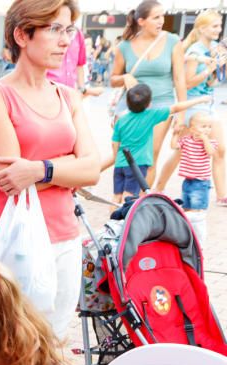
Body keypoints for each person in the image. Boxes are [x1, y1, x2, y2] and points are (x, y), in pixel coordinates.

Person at [0, 0, 99, 339]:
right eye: (55, 29)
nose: (66, 41)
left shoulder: (68, 96)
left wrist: (40, 170)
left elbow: (92, 169)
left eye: (69, 30)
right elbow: (12, 179)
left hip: (64, 236)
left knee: (51, 343)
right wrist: (67, 168)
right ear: (22, 35)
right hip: (10, 237)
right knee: (5, 345)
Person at [153, 10, 225, 203]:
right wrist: (209, 69)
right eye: (215, 26)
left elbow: (210, 83)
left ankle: (221, 195)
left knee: (220, 150)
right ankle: (158, 187)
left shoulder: (214, 48)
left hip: (208, 103)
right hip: (193, 106)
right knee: (181, 151)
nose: (219, 30)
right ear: (202, 28)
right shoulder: (195, 51)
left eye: (219, 26)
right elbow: (186, 83)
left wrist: (219, 68)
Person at [111, 0, 184, 188]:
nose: (161, 21)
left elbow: (179, 79)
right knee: (125, 155)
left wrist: (180, 115)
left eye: (163, 16)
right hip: (131, 106)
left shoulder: (173, 41)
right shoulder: (125, 46)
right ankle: (125, 200)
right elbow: (113, 79)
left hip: (161, 103)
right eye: (156, 17)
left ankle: (143, 203)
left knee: (150, 157)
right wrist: (125, 77)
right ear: (141, 21)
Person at [101, 83, 206, 202]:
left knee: (116, 196)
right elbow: (176, 108)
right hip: (137, 164)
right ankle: (125, 220)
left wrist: (117, 156)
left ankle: (113, 220)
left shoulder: (121, 120)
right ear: (149, 104)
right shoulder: (151, 115)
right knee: (129, 195)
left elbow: (114, 143)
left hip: (120, 163)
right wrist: (199, 100)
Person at [176, 111, 218, 244]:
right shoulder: (186, 140)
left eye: (209, 126)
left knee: (197, 213)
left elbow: (211, 153)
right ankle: (189, 236)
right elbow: (174, 146)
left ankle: (199, 241)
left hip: (200, 183)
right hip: (187, 181)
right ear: (193, 129)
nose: (207, 129)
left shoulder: (211, 142)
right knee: (187, 209)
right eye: (203, 126)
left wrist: (205, 139)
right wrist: (175, 134)